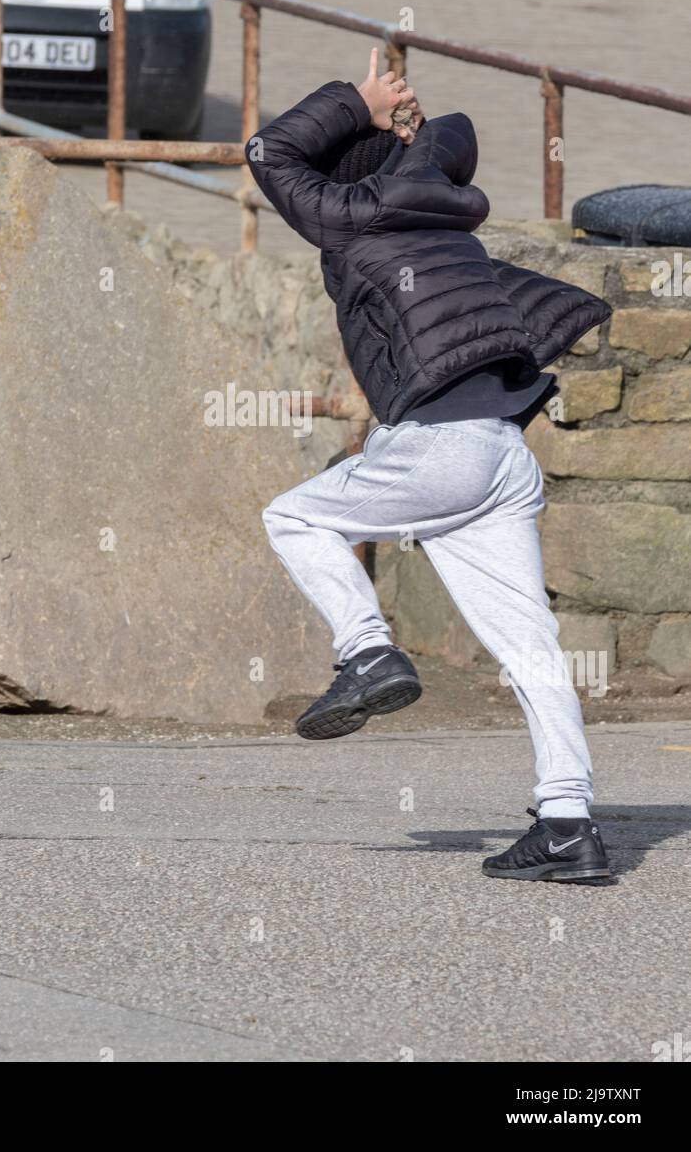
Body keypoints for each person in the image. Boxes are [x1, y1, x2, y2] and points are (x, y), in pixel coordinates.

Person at [247, 51, 612, 884]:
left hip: (440, 448)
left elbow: (269, 153)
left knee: (294, 517)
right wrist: (404, 125)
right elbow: (453, 138)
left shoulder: (359, 220)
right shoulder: (450, 222)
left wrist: (358, 100)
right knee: (532, 648)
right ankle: (567, 823)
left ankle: (368, 650)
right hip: (501, 455)